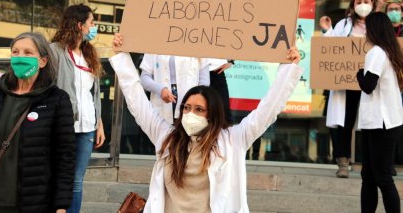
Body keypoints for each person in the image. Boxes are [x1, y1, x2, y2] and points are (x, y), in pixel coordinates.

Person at [111, 34, 302, 212]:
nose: (190, 114)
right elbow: (136, 99)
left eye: (199, 109)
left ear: (213, 114)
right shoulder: (166, 137)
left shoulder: (232, 140)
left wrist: (289, 68)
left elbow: (268, 109)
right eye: (186, 108)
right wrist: (121, 56)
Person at [0, 32, 75, 213]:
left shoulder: (56, 100)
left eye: (28, 53)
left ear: (43, 61)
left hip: (33, 203)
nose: (20, 57)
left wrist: (61, 206)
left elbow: (65, 157)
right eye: (16, 52)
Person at [50, 4, 105, 213]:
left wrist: (99, 124)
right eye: (92, 23)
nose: (94, 27)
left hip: (88, 127)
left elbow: (94, 93)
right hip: (63, 125)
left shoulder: (90, 53)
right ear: (80, 25)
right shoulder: (54, 51)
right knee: (58, 175)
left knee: (77, 181)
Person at [319, 0, 376, 178]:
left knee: (370, 122)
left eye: (366, 1)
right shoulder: (343, 25)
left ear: (373, 4)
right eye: (359, 2)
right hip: (346, 83)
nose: (363, 5)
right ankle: (343, 163)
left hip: (370, 82)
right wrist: (327, 31)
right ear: (353, 5)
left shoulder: (377, 25)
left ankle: (370, 163)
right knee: (345, 122)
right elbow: (331, 48)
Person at [356, 12, 403, 213]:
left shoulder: (376, 53)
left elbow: (368, 86)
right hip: (381, 122)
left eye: (368, 27)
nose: (366, 31)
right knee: (370, 175)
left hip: (379, 123)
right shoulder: (390, 52)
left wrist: (359, 74)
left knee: (380, 176)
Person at [139, 53, 210, 123]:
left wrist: (195, 99)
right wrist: (160, 90)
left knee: (187, 132)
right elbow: (144, 78)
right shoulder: (154, 45)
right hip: (162, 102)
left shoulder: (199, 45)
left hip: (189, 103)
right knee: (163, 132)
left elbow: (204, 81)